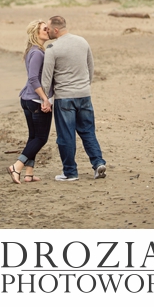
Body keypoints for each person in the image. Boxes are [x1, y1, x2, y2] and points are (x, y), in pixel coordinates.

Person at [40, 14, 107, 182]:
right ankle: (98, 163)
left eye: (48, 28)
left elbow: (46, 79)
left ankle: (70, 172)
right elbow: (90, 67)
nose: (46, 31)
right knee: (88, 131)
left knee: (66, 135)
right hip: (84, 95)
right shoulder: (82, 41)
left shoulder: (52, 48)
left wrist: (44, 99)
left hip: (64, 98)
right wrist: (85, 86)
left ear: (56, 29)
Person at [8, 19, 54, 184]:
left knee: (33, 137)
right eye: (44, 29)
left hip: (28, 99)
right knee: (41, 138)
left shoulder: (34, 51)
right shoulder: (36, 53)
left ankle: (28, 173)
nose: (48, 31)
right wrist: (45, 99)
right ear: (36, 33)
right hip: (35, 100)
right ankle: (17, 166)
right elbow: (34, 79)